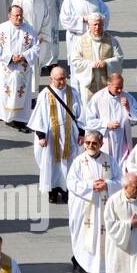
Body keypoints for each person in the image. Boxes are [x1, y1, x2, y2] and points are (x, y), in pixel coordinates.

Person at [67, 131, 119, 273]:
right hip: (85, 209)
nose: (90, 146)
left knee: (102, 239)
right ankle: (78, 260)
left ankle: (101, 272)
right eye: (87, 143)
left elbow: (120, 180)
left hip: (104, 207)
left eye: (94, 143)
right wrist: (91, 186)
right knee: (84, 237)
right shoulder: (78, 161)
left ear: (101, 144)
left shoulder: (109, 161)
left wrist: (108, 185)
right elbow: (71, 182)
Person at [28, 64, 80, 203]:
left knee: (69, 163)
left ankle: (66, 190)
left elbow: (81, 114)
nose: (62, 82)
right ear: (51, 79)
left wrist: (81, 133)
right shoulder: (45, 94)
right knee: (51, 164)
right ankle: (52, 191)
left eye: (64, 78)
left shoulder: (72, 92)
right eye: (59, 79)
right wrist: (41, 136)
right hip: (51, 136)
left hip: (69, 134)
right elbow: (38, 116)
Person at [0, 3, 37, 128]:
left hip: (23, 67)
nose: (19, 18)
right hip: (7, 67)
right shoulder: (1, 29)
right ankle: (5, 115)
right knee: (5, 91)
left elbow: (36, 47)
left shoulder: (30, 29)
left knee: (21, 92)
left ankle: (20, 119)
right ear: (9, 16)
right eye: (16, 16)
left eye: (21, 15)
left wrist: (24, 56)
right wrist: (10, 57)